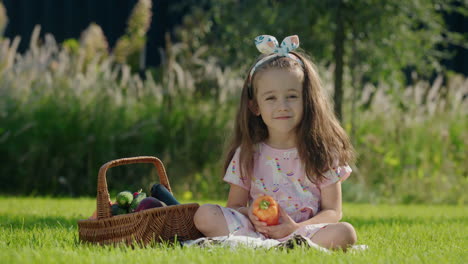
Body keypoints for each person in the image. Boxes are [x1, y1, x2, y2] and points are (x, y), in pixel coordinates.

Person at [193, 35, 357, 251]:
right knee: (204, 214)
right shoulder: (248, 153)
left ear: (307, 100)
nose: (282, 106)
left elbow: (333, 212)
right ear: (255, 106)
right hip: (254, 230)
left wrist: (295, 228)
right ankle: (265, 245)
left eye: (292, 96)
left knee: (345, 232)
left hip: (303, 231)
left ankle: (284, 245)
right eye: (271, 98)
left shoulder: (322, 152)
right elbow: (234, 207)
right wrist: (249, 213)